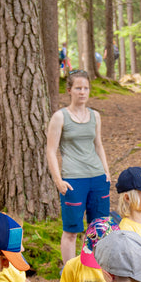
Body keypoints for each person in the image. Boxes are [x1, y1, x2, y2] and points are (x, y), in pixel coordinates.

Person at [45, 69, 111, 263]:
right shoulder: (60, 117)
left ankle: (94, 269)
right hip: (73, 180)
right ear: (69, 90)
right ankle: (69, 272)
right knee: (71, 231)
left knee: (98, 228)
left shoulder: (95, 116)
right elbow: (51, 150)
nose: (82, 92)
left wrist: (106, 172)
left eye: (86, 88)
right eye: (78, 88)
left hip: (97, 178)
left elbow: (98, 144)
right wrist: (58, 180)